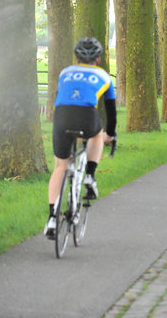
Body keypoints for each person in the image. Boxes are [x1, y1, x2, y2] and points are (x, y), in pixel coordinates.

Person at [44, 37, 116, 239]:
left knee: (60, 166)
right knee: (97, 134)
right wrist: (109, 134)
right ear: (99, 59)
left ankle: (51, 218)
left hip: (62, 117)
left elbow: (62, 97)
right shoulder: (104, 75)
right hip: (86, 116)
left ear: (76, 57)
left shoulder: (65, 72)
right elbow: (111, 111)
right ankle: (90, 176)